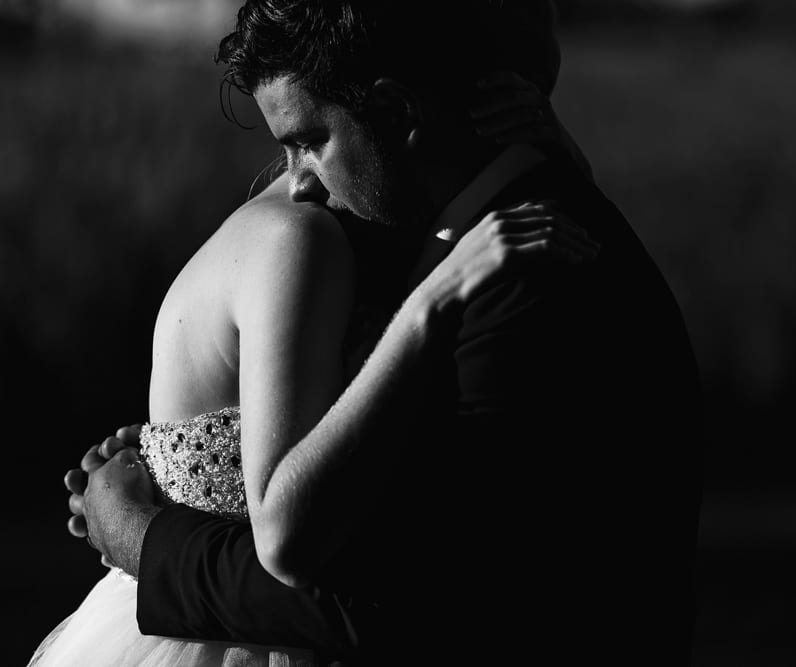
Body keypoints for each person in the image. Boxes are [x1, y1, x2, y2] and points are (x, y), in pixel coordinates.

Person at [63, 1, 704, 665]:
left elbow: (424, 604)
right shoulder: (515, 221)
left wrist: (144, 541)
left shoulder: (524, 276)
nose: (299, 180)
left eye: (312, 139)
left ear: (397, 114)